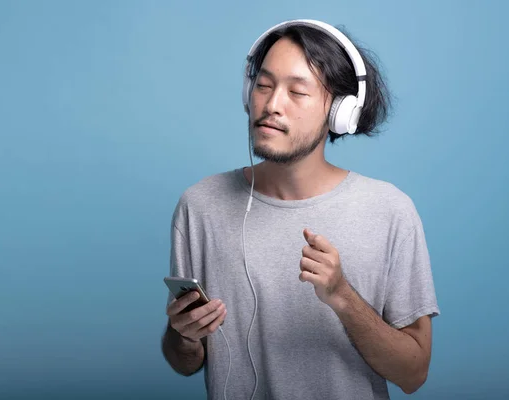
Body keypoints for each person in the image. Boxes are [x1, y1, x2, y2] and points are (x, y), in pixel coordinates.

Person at [161, 19, 440, 400]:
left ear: (341, 112)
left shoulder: (390, 211)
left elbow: (413, 373)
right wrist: (184, 336)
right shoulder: (200, 205)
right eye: (263, 85)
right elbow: (184, 362)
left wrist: (342, 296)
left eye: (297, 92)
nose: (272, 104)